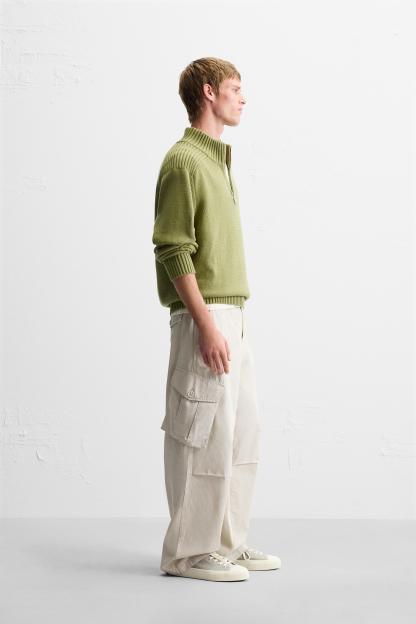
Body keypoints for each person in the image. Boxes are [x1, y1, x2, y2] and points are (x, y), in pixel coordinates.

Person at [152, 57, 281, 582]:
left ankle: (227, 541)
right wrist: (205, 324)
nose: (243, 97)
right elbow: (172, 248)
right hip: (203, 317)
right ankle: (188, 553)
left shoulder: (218, 161)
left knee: (240, 434)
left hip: (234, 314)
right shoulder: (184, 160)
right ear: (209, 93)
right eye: (235, 88)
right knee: (200, 433)